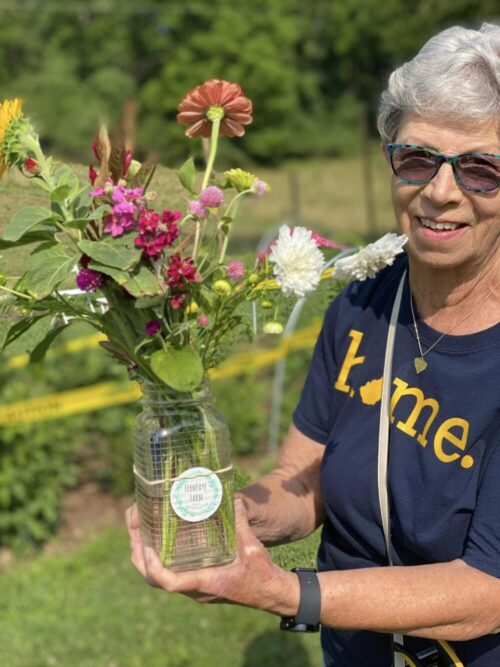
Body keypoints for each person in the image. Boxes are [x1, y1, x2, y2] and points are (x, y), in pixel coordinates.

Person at [126, 23, 500, 666]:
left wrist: (281, 591)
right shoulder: (361, 301)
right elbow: (305, 487)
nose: (441, 191)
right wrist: (228, 516)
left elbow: (485, 591)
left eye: (482, 169)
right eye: (417, 158)